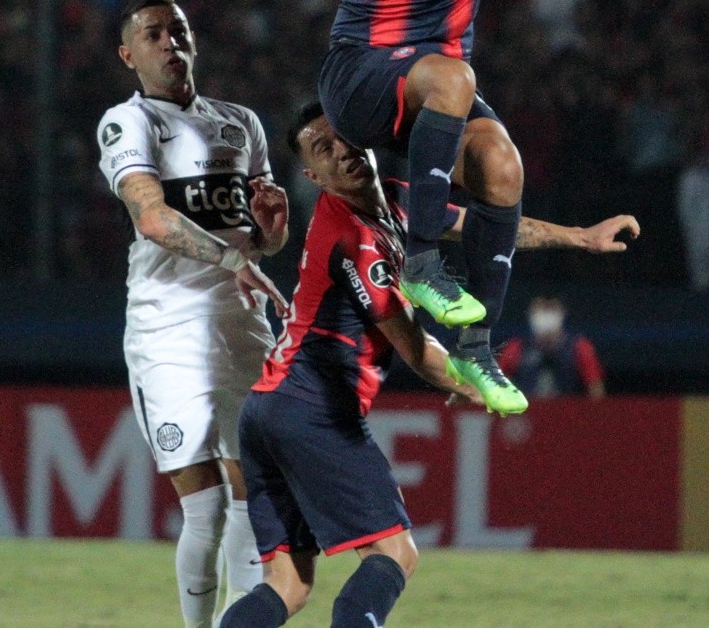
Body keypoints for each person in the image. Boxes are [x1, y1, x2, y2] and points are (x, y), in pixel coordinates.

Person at [319, 0, 673, 415]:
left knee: (502, 168)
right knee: (453, 75)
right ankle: (420, 261)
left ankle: (477, 348)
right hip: (361, 75)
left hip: (433, 81)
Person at [219, 103, 640, 627]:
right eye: (322, 149)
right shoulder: (350, 234)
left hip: (267, 411)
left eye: (342, 137)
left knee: (289, 585)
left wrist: (578, 236)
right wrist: (473, 382)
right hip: (311, 408)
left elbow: (489, 228)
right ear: (313, 176)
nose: (340, 151)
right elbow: (414, 349)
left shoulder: (397, 202)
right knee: (394, 555)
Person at [97, 0, 289, 628]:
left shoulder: (241, 123)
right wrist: (235, 260)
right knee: (203, 506)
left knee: (250, 497)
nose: (169, 41)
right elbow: (152, 219)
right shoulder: (128, 123)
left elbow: (256, 239)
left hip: (242, 322)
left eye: (178, 29)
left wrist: (268, 231)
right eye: (153, 34)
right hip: (168, 326)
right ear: (130, 54)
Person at [498, 296, 606, 399]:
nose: (546, 315)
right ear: (530, 312)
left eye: (551, 308)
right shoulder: (516, 347)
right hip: (527, 412)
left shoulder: (579, 347)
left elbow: (595, 389)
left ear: (562, 312)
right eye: (540, 308)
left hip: (569, 412)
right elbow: (495, 384)